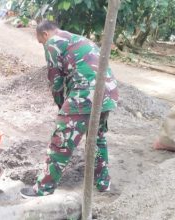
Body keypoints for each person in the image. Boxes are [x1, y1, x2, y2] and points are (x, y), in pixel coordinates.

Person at [20, 21, 119, 197]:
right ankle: (104, 184)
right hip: (108, 92)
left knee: (61, 140)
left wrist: (61, 107)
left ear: (44, 34)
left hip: (85, 93)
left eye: (41, 42)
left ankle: (43, 188)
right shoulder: (77, 39)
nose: (43, 45)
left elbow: (55, 81)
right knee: (97, 139)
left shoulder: (53, 42)